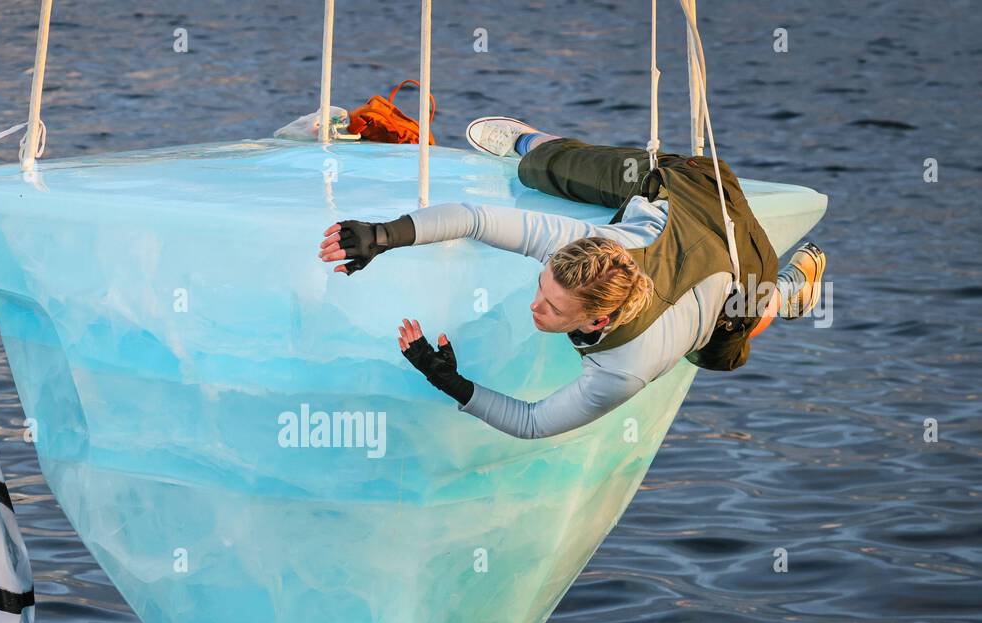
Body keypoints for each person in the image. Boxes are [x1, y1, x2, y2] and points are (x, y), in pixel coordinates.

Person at [317, 116, 827, 440]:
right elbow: (472, 217)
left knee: (720, 350)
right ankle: (527, 139)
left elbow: (533, 422)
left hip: (733, 241)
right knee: (553, 168)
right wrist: (383, 235)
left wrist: (449, 381)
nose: (536, 307)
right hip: (683, 192)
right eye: (543, 290)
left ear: (599, 318)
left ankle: (788, 289)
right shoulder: (576, 251)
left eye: (554, 309)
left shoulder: (624, 368)